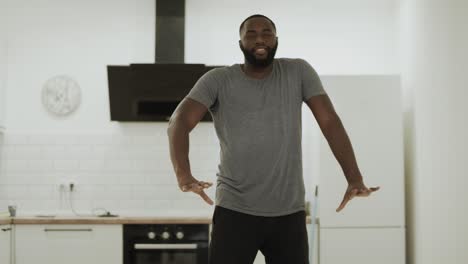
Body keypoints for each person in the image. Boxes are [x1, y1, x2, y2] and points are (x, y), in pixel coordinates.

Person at [167, 14, 380, 264]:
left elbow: (329, 121)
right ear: (240, 43)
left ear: (276, 39)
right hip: (235, 210)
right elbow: (178, 122)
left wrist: (353, 176)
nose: (260, 39)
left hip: (288, 213)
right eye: (251, 34)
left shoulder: (298, 71)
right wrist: (184, 175)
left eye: (267, 33)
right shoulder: (218, 79)